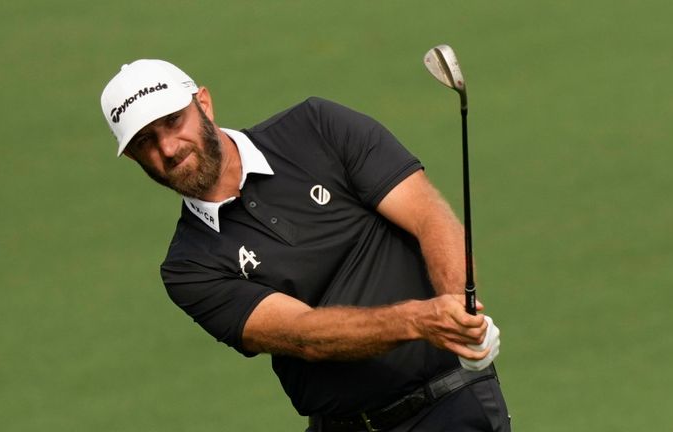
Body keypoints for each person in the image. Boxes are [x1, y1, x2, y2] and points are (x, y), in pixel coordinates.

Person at [100, 59, 510, 431]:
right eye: (145, 142)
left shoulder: (315, 128)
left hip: (452, 405)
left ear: (203, 104)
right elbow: (303, 334)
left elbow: (428, 215)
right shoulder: (189, 266)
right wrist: (421, 320)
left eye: (173, 121)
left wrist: (458, 312)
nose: (167, 148)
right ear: (135, 159)